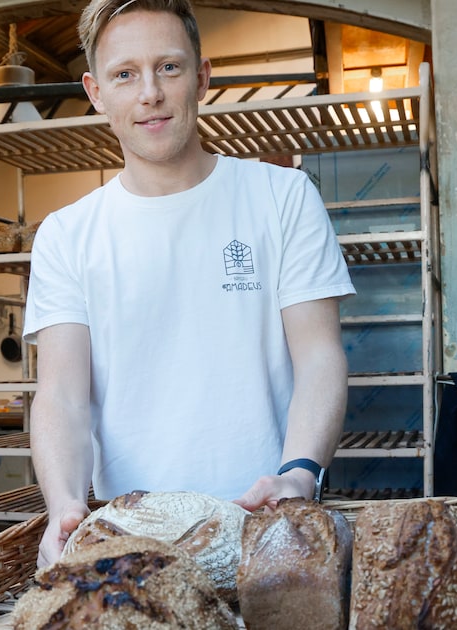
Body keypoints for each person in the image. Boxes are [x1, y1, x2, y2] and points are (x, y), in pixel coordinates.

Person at [22, 0, 355, 566]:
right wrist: (64, 506)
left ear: (202, 77)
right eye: (124, 74)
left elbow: (320, 356)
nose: (149, 92)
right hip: (128, 537)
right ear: (96, 92)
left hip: (265, 524)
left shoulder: (282, 198)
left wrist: (299, 473)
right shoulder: (66, 234)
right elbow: (61, 396)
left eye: (168, 67)